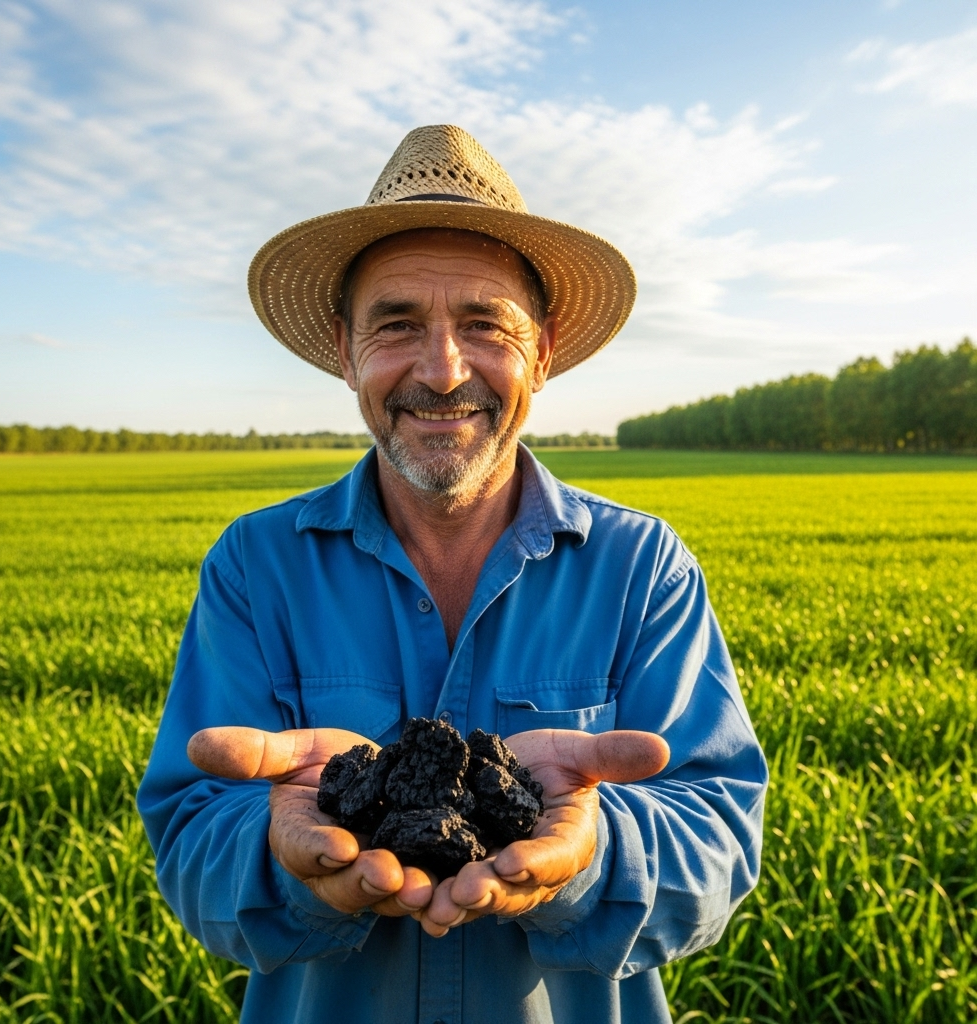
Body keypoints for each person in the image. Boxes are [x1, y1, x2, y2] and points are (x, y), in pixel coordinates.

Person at [137, 124, 767, 1024]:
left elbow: (721, 835)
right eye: (397, 324)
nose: (442, 371)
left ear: (541, 354)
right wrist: (282, 853)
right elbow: (192, 835)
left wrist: (590, 853)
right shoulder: (256, 565)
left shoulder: (641, 567)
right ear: (345, 348)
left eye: (485, 326)